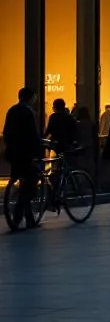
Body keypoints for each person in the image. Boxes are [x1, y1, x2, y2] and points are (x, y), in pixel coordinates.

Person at [4, 87, 42, 229]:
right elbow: (32, 135)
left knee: (20, 177)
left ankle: (28, 217)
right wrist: (38, 151)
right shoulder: (28, 112)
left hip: (13, 153)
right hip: (25, 153)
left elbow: (7, 131)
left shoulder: (12, 110)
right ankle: (20, 214)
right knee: (32, 181)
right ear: (31, 98)